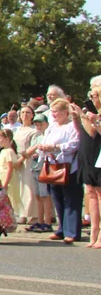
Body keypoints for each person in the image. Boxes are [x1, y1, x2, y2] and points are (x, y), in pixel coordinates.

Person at [37, 98, 82, 244]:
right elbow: (45, 140)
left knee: (71, 199)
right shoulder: (52, 127)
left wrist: (55, 147)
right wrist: (43, 148)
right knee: (57, 199)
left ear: (65, 112)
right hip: (52, 165)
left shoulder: (72, 126)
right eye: (52, 112)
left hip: (68, 167)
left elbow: (74, 144)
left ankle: (72, 231)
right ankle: (62, 229)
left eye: (56, 112)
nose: (54, 115)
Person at [70, 79, 101, 247]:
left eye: (94, 94)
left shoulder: (96, 113)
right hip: (85, 153)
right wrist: (77, 117)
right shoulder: (88, 112)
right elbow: (81, 131)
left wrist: (85, 116)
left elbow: (92, 132)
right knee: (91, 193)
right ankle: (93, 235)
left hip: (97, 154)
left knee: (100, 195)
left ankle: (100, 235)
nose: (91, 96)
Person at [23, 114, 56, 232]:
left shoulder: (49, 136)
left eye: (41, 124)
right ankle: (40, 220)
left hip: (44, 168)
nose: (38, 126)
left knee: (45, 196)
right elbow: (27, 153)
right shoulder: (35, 137)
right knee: (38, 195)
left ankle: (47, 221)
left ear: (46, 124)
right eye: (36, 124)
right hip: (35, 167)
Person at [13, 105, 40, 226]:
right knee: (19, 188)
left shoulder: (34, 130)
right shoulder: (18, 129)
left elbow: (32, 148)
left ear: (32, 115)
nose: (25, 115)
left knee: (29, 187)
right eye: (23, 112)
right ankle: (21, 213)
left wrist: (22, 159)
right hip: (17, 158)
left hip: (28, 160)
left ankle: (33, 214)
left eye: (28, 112)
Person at [0, 128, 24, 221]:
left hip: (7, 178)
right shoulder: (3, 151)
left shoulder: (9, 151)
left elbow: (10, 168)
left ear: (7, 139)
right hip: (1, 177)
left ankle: (10, 217)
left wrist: (5, 183)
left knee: (9, 197)